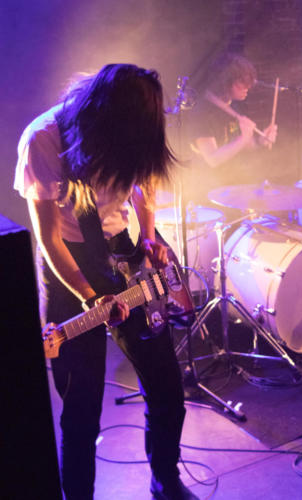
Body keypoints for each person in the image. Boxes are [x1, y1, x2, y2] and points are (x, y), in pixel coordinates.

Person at [14, 64, 199, 500]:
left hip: (126, 256)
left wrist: (149, 238)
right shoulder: (45, 140)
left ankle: (165, 478)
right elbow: (48, 237)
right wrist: (90, 296)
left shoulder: (131, 136)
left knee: (167, 387)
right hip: (71, 266)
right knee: (81, 412)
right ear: (107, 120)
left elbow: (146, 181)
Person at [185, 52, 278, 205]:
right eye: (241, 82)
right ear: (225, 82)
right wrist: (244, 138)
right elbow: (213, 159)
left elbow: (246, 147)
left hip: (234, 189)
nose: (247, 87)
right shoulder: (202, 113)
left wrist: (262, 140)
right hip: (209, 196)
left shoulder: (235, 106)